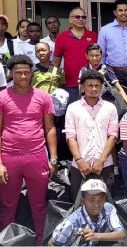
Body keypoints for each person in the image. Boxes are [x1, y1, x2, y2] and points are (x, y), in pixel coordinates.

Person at [0, 55, 58, 245]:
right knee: (8, 206)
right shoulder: (2, 97)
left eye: (26, 72)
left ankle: (41, 242)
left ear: (31, 72)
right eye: (18, 73)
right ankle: (6, 242)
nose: (23, 76)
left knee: (39, 205)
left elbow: (50, 129)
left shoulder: (43, 97)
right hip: (9, 157)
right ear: (11, 74)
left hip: (36, 156)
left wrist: (54, 159)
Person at [65, 70, 119, 201]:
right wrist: (79, 161)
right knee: (79, 203)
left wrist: (101, 160)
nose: (94, 89)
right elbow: (70, 137)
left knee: (106, 203)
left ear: (102, 87)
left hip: (105, 165)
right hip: (80, 166)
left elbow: (112, 136)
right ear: (82, 86)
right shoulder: (73, 108)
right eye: (90, 85)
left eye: (97, 85)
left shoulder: (110, 108)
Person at [51, 178, 126, 246]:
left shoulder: (108, 208)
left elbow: (121, 235)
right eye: (92, 200)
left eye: (101, 199)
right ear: (82, 201)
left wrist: (96, 236)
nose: (97, 204)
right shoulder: (71, 222)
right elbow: (52, 243)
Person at [53, 6, 98, 105]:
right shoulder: (62, 37)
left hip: (91, 83)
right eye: (77, 17)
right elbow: (56, 61)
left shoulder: (94, 36)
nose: (81, 19)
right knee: (73, 113)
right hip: (70, 84)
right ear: (70, 19)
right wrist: (54, 81)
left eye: (83, 17)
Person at [79, 43, 127, 108]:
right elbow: (81, 90)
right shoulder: (84, 70)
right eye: (91, 55)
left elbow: (118, 87)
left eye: (97, 55)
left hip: (107, 103)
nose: (94, 58)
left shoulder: (107, 69)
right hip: (89, 104)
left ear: (101, 55)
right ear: (87, 56)